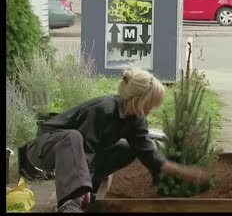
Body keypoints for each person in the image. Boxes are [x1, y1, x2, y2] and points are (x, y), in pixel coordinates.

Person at [23, 68, 209, 212]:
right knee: (74, 137)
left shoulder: (136, 121)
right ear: (139, 99)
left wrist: (183, 172)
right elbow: (85, 150)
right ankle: (70, 203)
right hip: (47, 147)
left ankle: (89, 193)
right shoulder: (102, 109)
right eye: (150, 104)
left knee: (128, 148)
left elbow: (149, 155)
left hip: (78, 153)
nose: (151, 110)